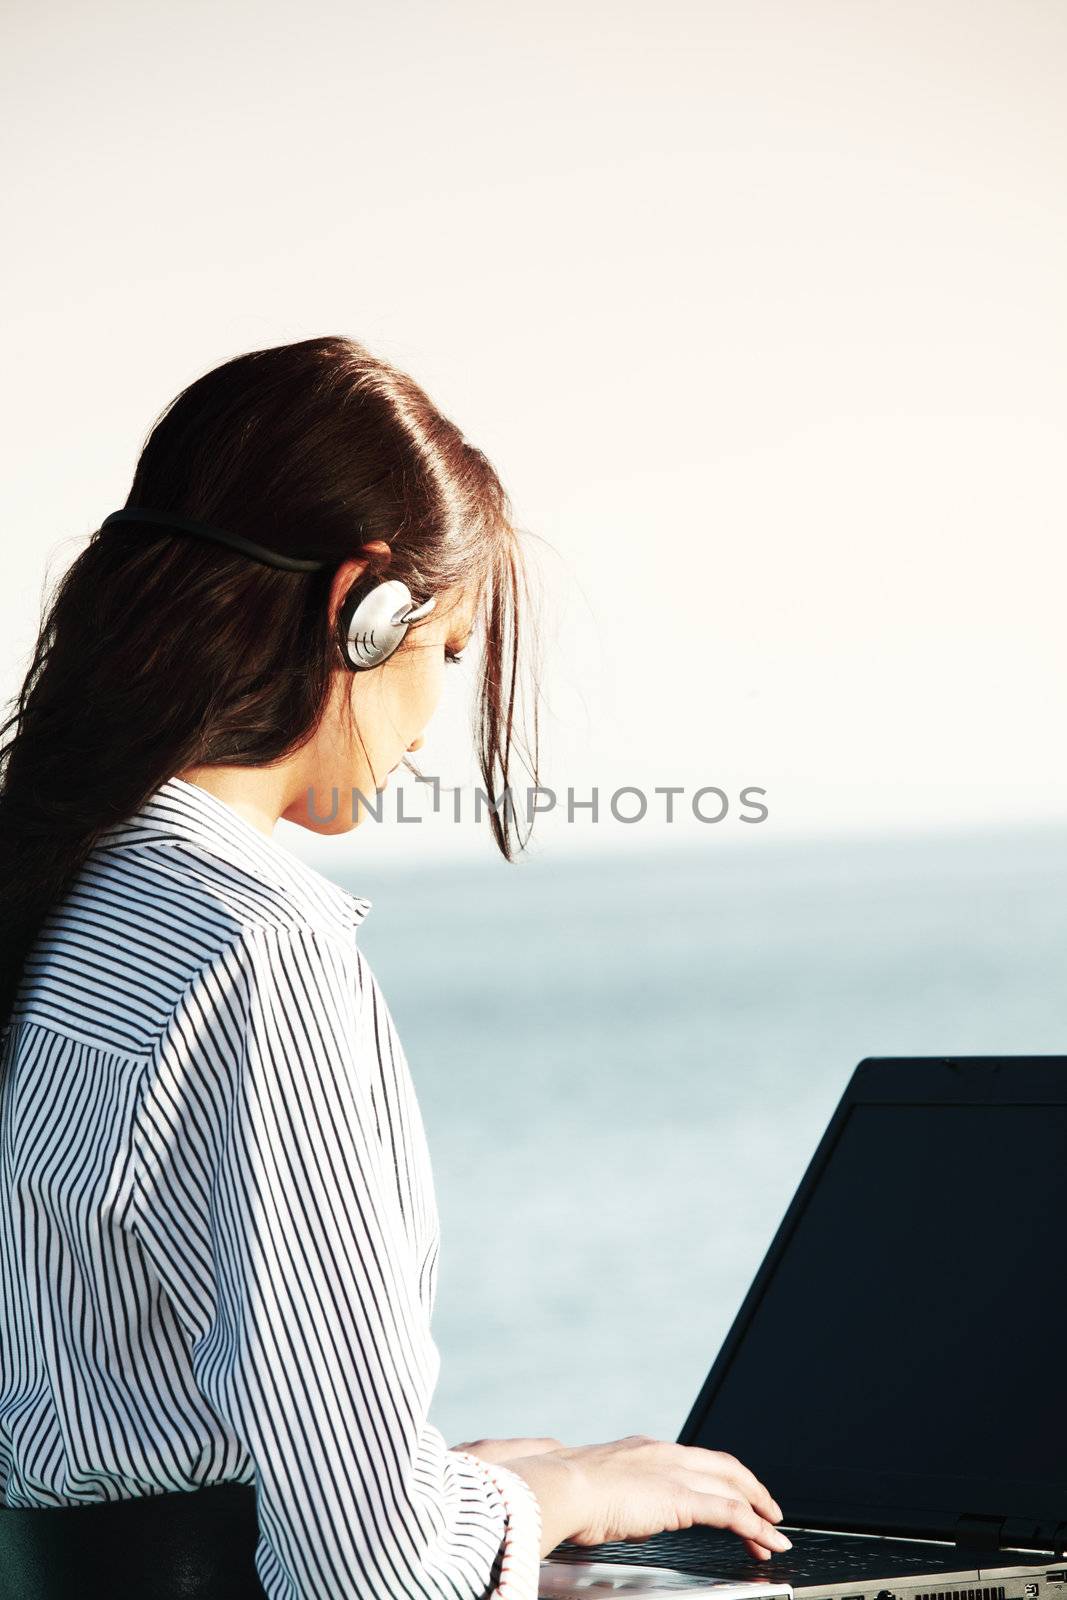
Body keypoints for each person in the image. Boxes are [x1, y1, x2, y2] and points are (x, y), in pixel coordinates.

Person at [0, 335, 792, 1599]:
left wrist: (444, 1481)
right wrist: (564, 1491)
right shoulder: (256, 945)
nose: (434, 720)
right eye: (454, 649)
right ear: (362, 609)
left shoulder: (54, 893)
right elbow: (364, 1565)